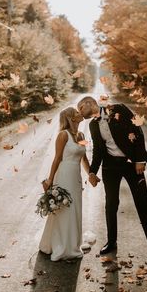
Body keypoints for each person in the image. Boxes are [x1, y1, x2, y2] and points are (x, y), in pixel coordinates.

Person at [77, 96, 147, 263]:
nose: (79, 111)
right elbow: (98, 150)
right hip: (110, 167)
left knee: (142, 203)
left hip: (132, 164)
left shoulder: (119, 109)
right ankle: (111, 242)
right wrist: (92, 172)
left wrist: (140, 160)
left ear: (91, 103)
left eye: (81, 107)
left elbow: (138, 131)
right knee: (111, 204)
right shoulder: (92, 125)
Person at [39, 107, 95, 261]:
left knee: (75, 208)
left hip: (75, 177)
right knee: (65, 209)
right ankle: (61, 246)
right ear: (71, 118)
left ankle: (73, 244)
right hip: (63, 175)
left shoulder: (82, 135)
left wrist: (91, 174)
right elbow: (57, 158)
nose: (80, 113)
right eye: (76, 112)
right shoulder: (63, 135)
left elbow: (84, 159)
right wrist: (50, 180)